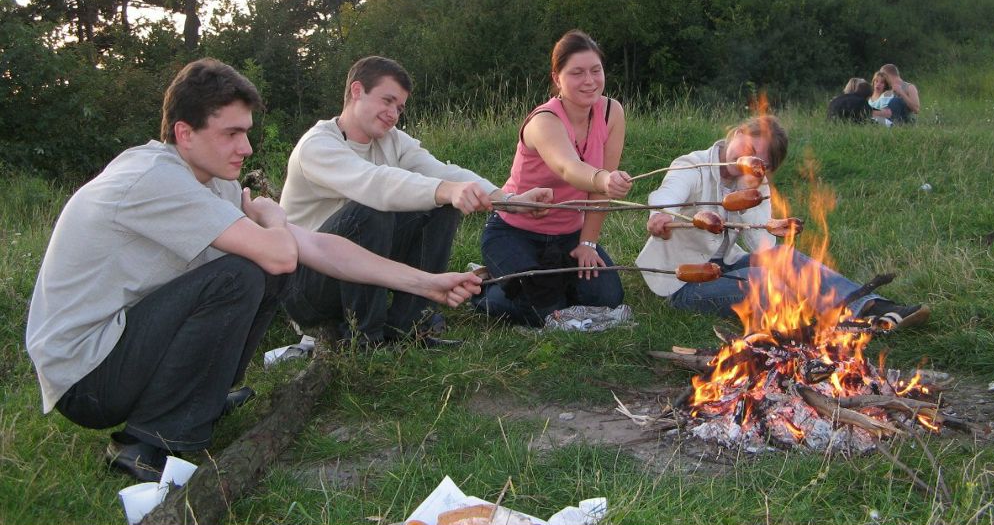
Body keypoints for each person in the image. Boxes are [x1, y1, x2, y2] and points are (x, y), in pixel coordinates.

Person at [25, 59, 481, 483]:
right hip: (86, 379)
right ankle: (146, 443)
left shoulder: (212, 181)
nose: (245, 146)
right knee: (246, 271)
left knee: (260, 267)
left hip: (123, 346)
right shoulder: (154, 178)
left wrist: (428, 283)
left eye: (246, 132)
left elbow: (318, 246)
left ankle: (201, 398)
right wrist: (275, 218)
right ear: (185, 133)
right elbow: (283, 251)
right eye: (231, 134)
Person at [280, 56, 551, 348]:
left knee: (442, 205)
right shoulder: (318, 146)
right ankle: (365, 340)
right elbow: (374, 182)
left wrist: (508, 200)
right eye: (387, 100)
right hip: (304, 288)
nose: (393, 113)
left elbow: (443, 172)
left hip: (353, 271)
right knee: (372, 210)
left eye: (399, 107)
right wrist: (446, 189)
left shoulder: (391, 140)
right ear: (357, 91)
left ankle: (410, 326)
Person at [636, 115, 927, 329]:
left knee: (784, 257)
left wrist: (750, 189)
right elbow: (668, 194)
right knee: (771, 286)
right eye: (747, 147)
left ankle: (869, 305)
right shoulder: (693, 164)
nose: (746, 160)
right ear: (736, 133)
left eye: (758, 162)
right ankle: (829, 321)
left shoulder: (753, 183)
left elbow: (762, 245)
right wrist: (658, 215)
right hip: (682, 282)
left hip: (725, 264)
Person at [473, 30, 633, 326]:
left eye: (596, 71)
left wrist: (588, 244)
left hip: (568, 235)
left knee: (607, 298)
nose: (589, 81)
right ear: (557, 78)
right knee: (543, 312)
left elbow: (600, 195)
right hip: (515, 232)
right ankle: (483, 286)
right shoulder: (544, 121)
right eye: (577, 73)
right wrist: (603, 179)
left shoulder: (612, 112)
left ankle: (542, 280)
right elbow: (567, 168)